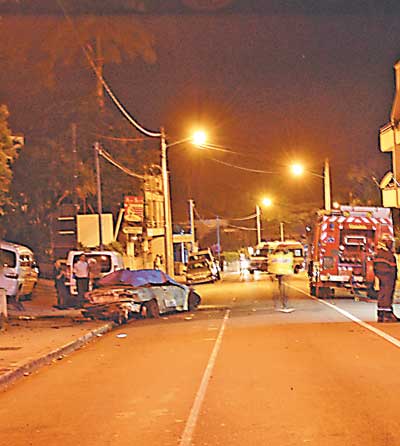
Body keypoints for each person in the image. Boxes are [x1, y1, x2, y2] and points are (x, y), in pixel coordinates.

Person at [373, 234, 399, 322]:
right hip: (388, 278)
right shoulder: (387, 254)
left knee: (382, 294)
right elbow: (392, 267)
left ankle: (381, 315)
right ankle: (387, 315)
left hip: (383, 278)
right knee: (387, 295)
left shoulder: (379, 253)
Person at [270, 248, 294, 312]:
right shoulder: (287, 257)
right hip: (285, 274)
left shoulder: (274, 257)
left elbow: (270, 261)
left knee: (279, 289)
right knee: (284, 290)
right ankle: (284, 305)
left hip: (277, 274)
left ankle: (279, 304)